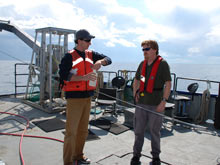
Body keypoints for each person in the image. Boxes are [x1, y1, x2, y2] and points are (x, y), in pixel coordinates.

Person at [59, 29, 112, 165]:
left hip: (88, 97)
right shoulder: (68, 56)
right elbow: (64, 75)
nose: (90, 43)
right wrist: (83, 78)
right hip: (74, 98)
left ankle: (78, 156)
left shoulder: (91, 54)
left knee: (83, 130)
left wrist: (101, 62)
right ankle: (68, 162)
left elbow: (109, 59)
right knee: (71, 132)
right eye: (88, 40)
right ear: (80, 41)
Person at [131, 40, 171, 165]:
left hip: (156, 104)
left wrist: (164, 101)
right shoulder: (142, 64)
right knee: (138, 131)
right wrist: (135, 93)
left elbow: (168, 83)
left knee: (154, 132)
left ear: (154, 49)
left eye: (146, 49)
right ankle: (136, 156)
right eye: (143, 49)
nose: (144, 52)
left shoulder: (163, 64)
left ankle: (155, 157)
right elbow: (138, 79)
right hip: (142, 103)